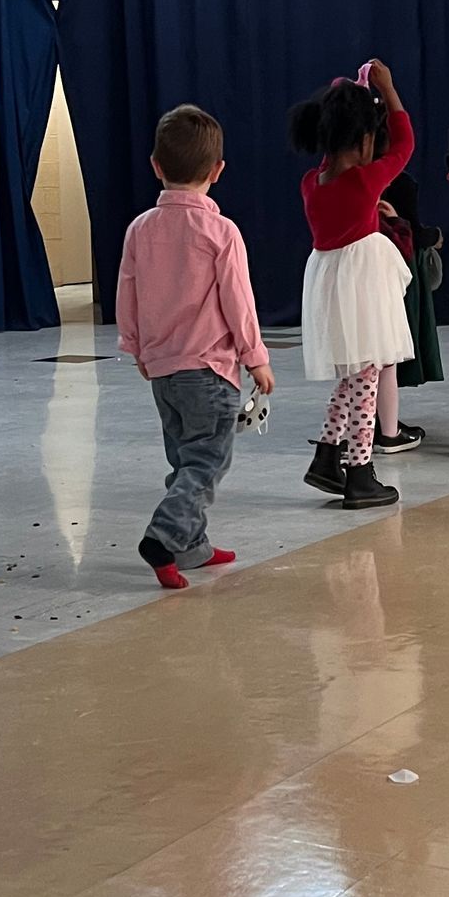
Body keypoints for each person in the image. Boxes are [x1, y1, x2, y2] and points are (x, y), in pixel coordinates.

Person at [116, 103, 274, 591]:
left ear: (156, 166)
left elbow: (128, 292)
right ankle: (163, 538)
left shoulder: (140, 228)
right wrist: (257, 359)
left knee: (186, 460)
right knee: (208, 461)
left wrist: (138, 348)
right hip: (209, 371)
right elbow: (238, 302)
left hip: (163, 372)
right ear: (217, 172)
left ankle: (193, 547)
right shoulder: (221, 232)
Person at [291, 59, 414, 509]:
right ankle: (360, 470)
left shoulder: (312, 183)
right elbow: (404, 144)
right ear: (365, 141)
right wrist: (390, 89)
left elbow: (334, 158)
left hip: (330, 285)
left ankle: (327, 455)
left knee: (353, 375)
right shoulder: (365, 181)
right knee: (366, 378)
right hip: (363, 287)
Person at [375, 169, 440, 453]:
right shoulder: (398, 182)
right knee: (385, 358)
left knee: (367, 363)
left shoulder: (334, 178)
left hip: (355, 280)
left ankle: (372, 428)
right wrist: (432, 235)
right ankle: (385, 431)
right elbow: (408, 237)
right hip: (389, 278)